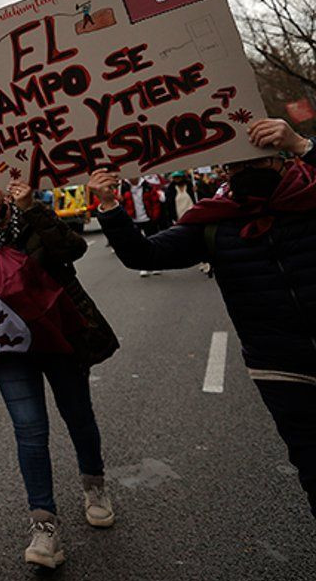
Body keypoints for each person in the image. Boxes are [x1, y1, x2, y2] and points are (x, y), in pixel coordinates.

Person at [89, 117, 316, 519]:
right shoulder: (214, 222)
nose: (246, 172)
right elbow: (144, 255)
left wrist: (303, 144)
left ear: (281, 161)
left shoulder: (309, 191)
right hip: (280, 368)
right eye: (235, 166)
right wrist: (109, 205)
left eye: (256, 162)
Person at [0, 175, 120, 569]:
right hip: (9, 345)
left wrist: (30, 208)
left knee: (77, 414)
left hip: (57, 332)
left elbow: (72, 247)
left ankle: (95, 488)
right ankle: (44, 527)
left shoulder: (33, 216)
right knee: (29, 430)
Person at [118, 177, 163, 276]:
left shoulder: (147, 186)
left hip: (148, 218)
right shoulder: (124, 187)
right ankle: (143, 266)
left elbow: (155, 202)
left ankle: (156, 265)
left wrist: (155, 216)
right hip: (133, 219)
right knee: (137, 245)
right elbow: (121, 204)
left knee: (153, 242)